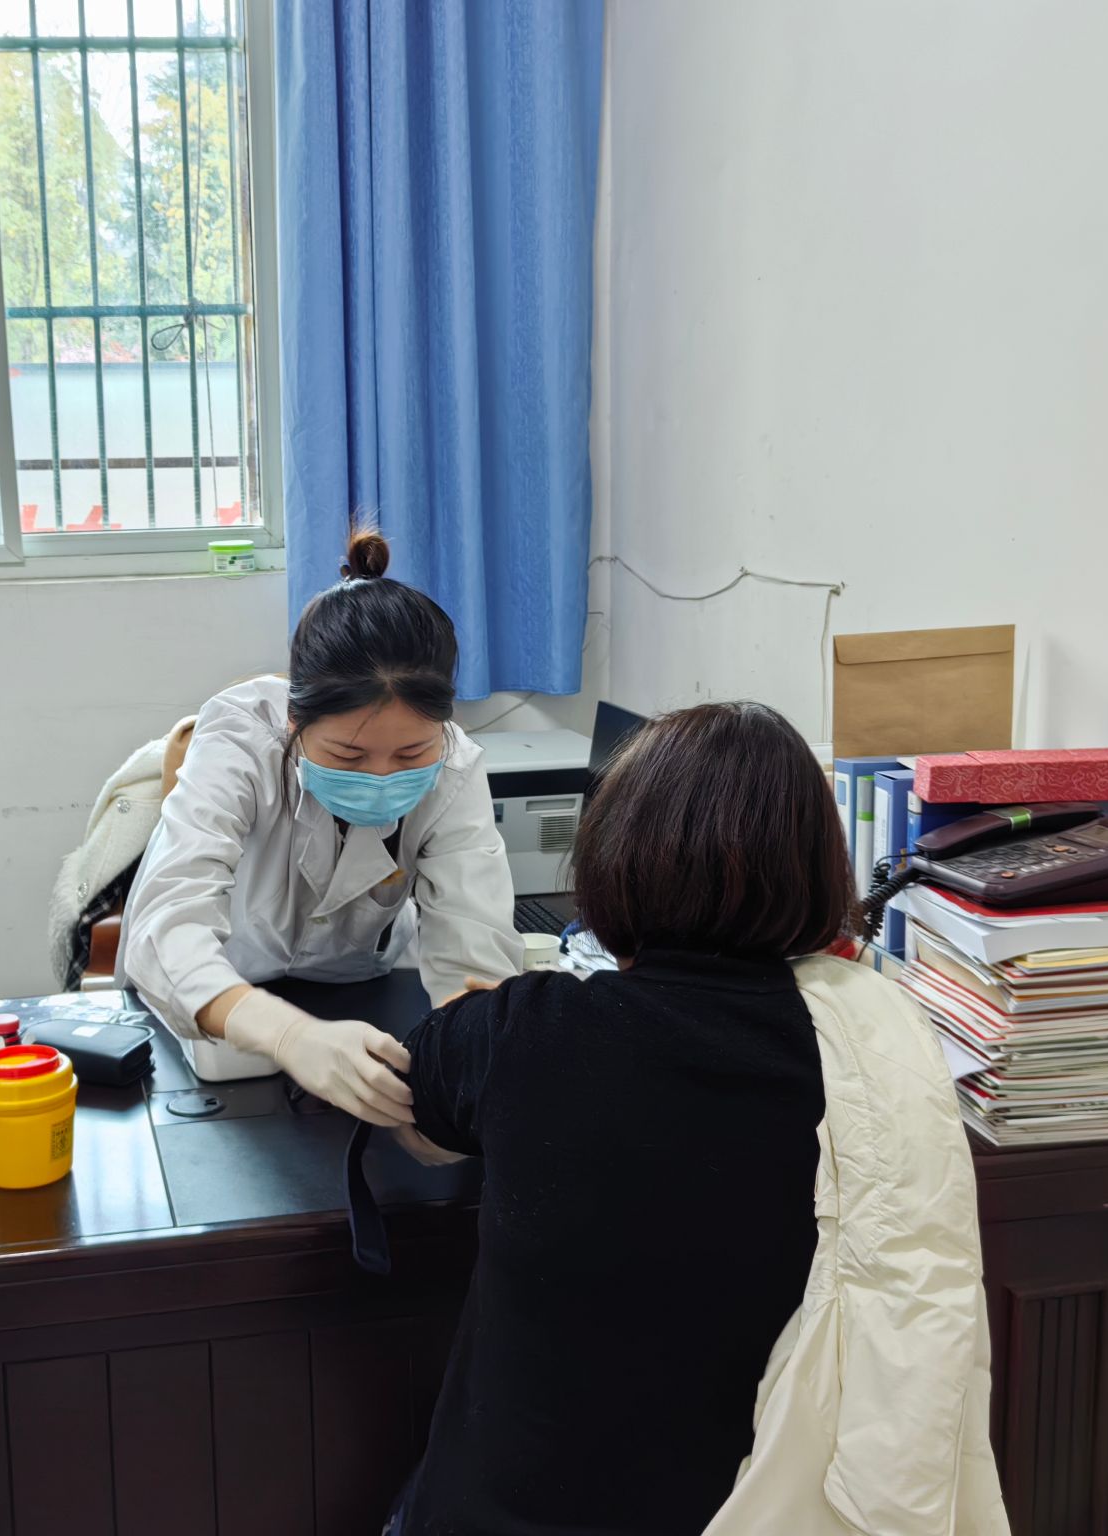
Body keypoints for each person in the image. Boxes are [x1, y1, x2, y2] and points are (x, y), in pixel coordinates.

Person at [387, 703, 1007, 1536]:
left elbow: (409, 1089)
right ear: (817, 870)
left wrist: (481, 1027)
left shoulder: (524, 1030)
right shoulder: (875, 1041)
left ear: (613, 858)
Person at [118, 528, 522, 1128]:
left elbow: (475, 956)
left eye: (411, 754)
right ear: (293, 721)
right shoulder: (239, 738)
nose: (381, 777)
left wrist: (461, 1088)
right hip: (218, 997)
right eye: (348, 756)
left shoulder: (456, 769)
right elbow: (167, 928)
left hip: (357, 994)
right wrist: (288, 1035)